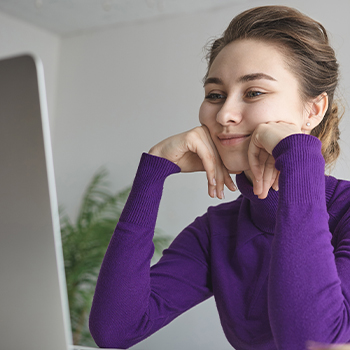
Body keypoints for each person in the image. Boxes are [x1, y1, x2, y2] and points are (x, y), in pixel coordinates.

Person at [89, 5, 350, 350]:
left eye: (254, 92)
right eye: (215, 95)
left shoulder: (345, 211)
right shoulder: (216, 231)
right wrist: (153, 171)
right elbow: (115, 330)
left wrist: (300, 156)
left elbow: (311, 341)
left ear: (313, 110)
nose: (225, 113)